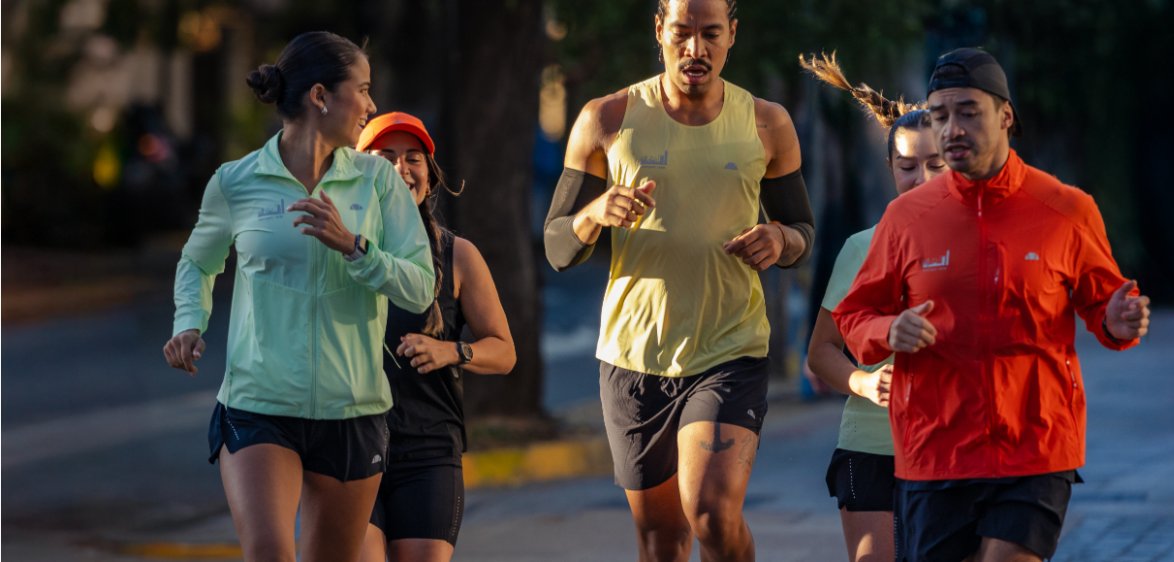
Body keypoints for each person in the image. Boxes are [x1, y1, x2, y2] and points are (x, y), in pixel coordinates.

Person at [834, 47, 1152, 562]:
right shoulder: (906, 218)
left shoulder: (1066, 208)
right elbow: (853, 317)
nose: (952, 128)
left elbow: (1107, 303)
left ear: (1005, 115)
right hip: (934, 450)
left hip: (1036, 447)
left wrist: (1119, 318)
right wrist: (889, 330)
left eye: (968, 112)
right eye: (940, 116)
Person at [542, 1, 814, 560]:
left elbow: (803, 230)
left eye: (711, 34)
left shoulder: (766, 122)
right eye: (682, 33)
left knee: (712, 512)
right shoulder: (606, 118)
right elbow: (557, 246)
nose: (696, 50)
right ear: (659, 31)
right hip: (633, 357)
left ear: (732, 35)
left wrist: (781, 240)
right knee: (663, 540)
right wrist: (594, 215)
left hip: (729, 349)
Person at [162, 31, 435, 562]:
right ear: (320, 96)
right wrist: (189, 322)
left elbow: (421, 287)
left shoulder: (377, 181)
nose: (372, 105)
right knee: (268, 552)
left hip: (352, 409)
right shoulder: (236, 181)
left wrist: (356, 248)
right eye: (363, 88)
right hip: (259, 402)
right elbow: (198, 261)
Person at [800, 52, 945, 562]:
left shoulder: (980, 243)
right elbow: (820, 352)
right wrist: (862, 382)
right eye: (907, 167)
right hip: (870, 445)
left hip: (953, 452)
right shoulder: (862, 247)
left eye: (936, 165)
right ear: (889, 168)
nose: (922, 179)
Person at [354, 112, 516, 562]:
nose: (402, 169)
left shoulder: (457, 255)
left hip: (427, 448)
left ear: (430, 174)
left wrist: (451, 350)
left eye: (413, 158)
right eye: (384, 158)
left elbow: (504, 352)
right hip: (350, 441)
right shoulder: (340, 250)